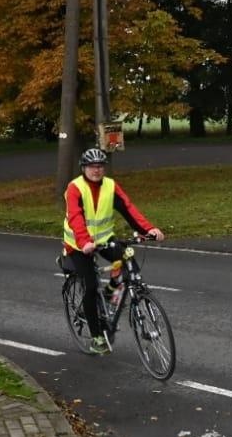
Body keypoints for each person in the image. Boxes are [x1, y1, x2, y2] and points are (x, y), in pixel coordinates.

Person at [62, 147, 164, 355]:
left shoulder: (110, 186)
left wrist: (148, 229)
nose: (96, 170)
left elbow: (128, 209)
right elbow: (75, 217)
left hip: (104, 239)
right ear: (83, 168)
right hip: (78, 244)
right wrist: (84, 242)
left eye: (100, 166)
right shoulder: (75, 188)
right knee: (90, 286)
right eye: (92, 166)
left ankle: (110, 296)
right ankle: (97, 337)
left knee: (128, 261)